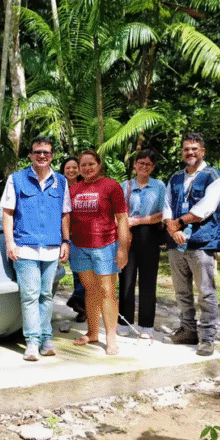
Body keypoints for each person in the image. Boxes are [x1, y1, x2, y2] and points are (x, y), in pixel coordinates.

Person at [1, 136, 71, 361]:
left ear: (52, 156)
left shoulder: (61, 181)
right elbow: (7, 213)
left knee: (46, 295)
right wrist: (10, 243)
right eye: (38, 152)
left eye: (46, 152)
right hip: (25, 248)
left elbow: (65, 214)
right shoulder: (16, 179)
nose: (42, 156)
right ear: (31, 155)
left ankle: (46, 339)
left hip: (51, 248)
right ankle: (32, 342)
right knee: (30, 295)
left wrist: (66, 241)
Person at [163, 133, 220, 356]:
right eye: (186, 149)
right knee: (181, 291)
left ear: (203, 151)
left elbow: (205, 209)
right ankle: (188, 330)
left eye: (194, 149)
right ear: (182, 152)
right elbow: (167, 205)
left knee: (206, 293)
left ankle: (207, 338)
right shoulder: (175, 177)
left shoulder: (213, 177)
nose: (190, 152)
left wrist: (178, 224)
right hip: (176, 243)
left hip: (201, 242)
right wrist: (172, 228)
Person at [70, 150, 129, 355]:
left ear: (99, 165)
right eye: (83, 165)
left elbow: (122, 218)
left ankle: (110, 338)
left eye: (91, 164)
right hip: (79, 246)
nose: (87, 168)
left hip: (105, 245)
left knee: (107, 290)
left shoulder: (111, 186)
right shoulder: (74, 189)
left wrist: (123, 248)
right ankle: (93, 332)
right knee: (90, 289)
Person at [117, 149, 165, 340]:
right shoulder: (125, 185)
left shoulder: (159, 186)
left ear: (153, 167)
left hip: (150, 234)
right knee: (126, 279)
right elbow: (119, 211)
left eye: (148, 164)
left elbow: (163, 213)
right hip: (127, 234)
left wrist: (138, 221)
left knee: (148, 281)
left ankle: (147, 325)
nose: (144, 166)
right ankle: (124, 322)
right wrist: (126, 226)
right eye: (141, 163)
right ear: (135, 164)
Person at [59, 157, 87, 323]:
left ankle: (81, 305)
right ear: (63, 170)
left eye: (74, 167)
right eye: (68, 168)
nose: (71, 170)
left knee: (80, 271)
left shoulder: (85, 187)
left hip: (80, 235)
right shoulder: (58, 187)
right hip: (60, 235)